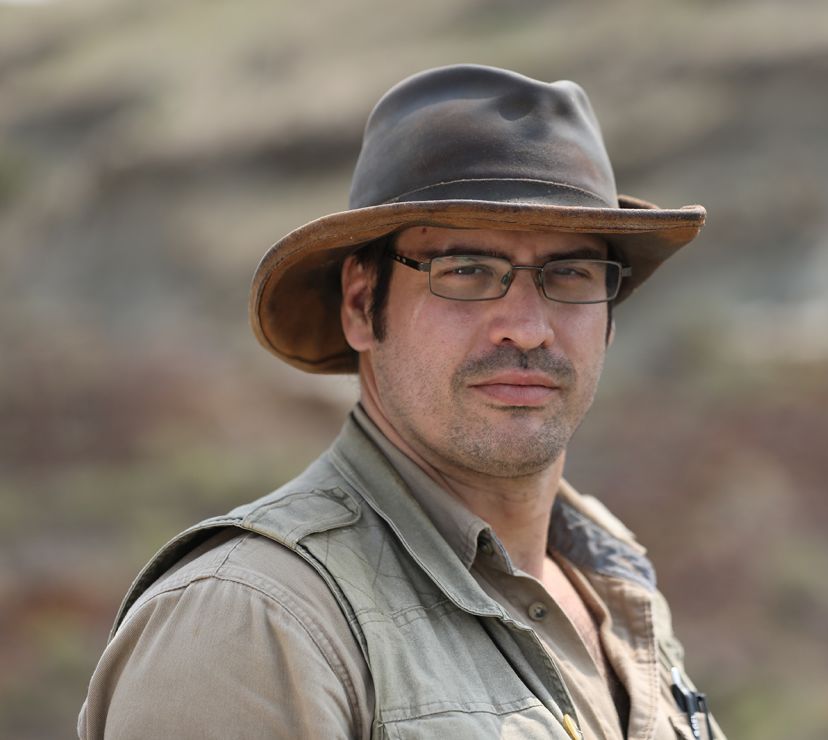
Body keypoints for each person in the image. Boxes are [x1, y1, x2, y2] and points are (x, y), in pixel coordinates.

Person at [79, 64, 722, 740]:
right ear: (362, 304)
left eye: (570, 274)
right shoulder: (255, 619)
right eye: (467, 272)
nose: (528, 327)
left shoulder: (614, 583)